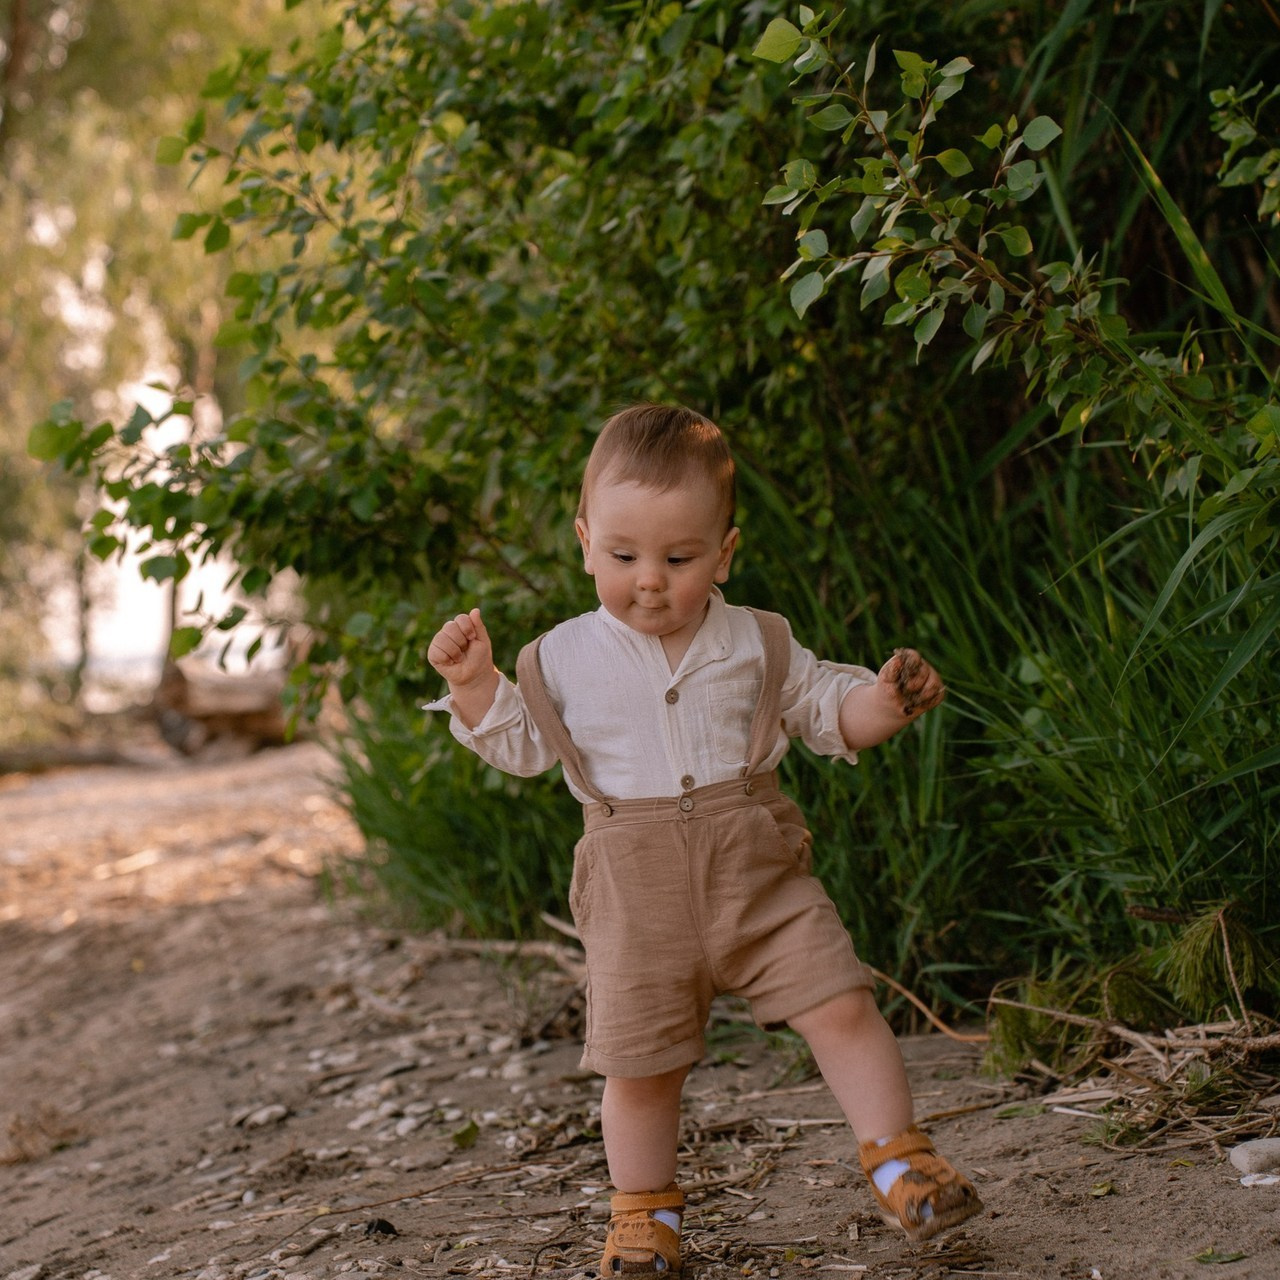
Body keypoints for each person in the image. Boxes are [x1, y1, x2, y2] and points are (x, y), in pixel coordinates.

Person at [425, 403, 982, 1276]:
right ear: (584, 542)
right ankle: (645, 1218)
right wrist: (474, 684)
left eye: (679, 559)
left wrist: (886, 700)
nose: (651, 580)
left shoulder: (758, 641)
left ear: (723, 551)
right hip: (633, 892)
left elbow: (825, 707)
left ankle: (901, 1160)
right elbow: (522, 746)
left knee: (841, 1001)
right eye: (623, 557)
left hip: (757, 873)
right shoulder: (559, 658)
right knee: (642, 1067)